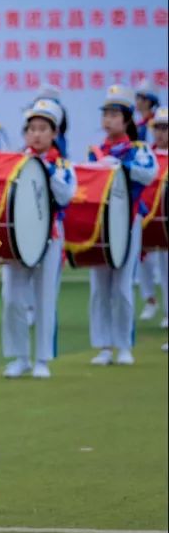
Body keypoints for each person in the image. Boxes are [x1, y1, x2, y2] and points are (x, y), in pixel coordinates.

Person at [1, 100, 76, 379]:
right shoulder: (15, 162)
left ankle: (42, 358)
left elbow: (67, 194)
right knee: (12, 299)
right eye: (31, 128)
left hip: (50, 236)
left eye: (43, 128)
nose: (36, 134)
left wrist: (45, 170)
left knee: (45, 298)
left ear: (54, 133)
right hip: (18, 236)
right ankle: (20, 357)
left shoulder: (62, 165)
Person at [87, 85, 158, 366]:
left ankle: (124, 344)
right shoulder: (94, 151)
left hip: (128, 221)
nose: (108, 119)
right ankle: (104, 346)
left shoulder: (138, 150)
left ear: (126, 119)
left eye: (114, 114)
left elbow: (149, 174)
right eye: (105, 113)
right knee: (99, 287)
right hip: (101, 224)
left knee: (123, 287)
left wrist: (121, 165)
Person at [144, 106, 168, 330]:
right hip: (148, 221)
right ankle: (150, 299)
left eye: (165, 128)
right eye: (158, 128)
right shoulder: (146, 156)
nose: (161, 133)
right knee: (146, 262)